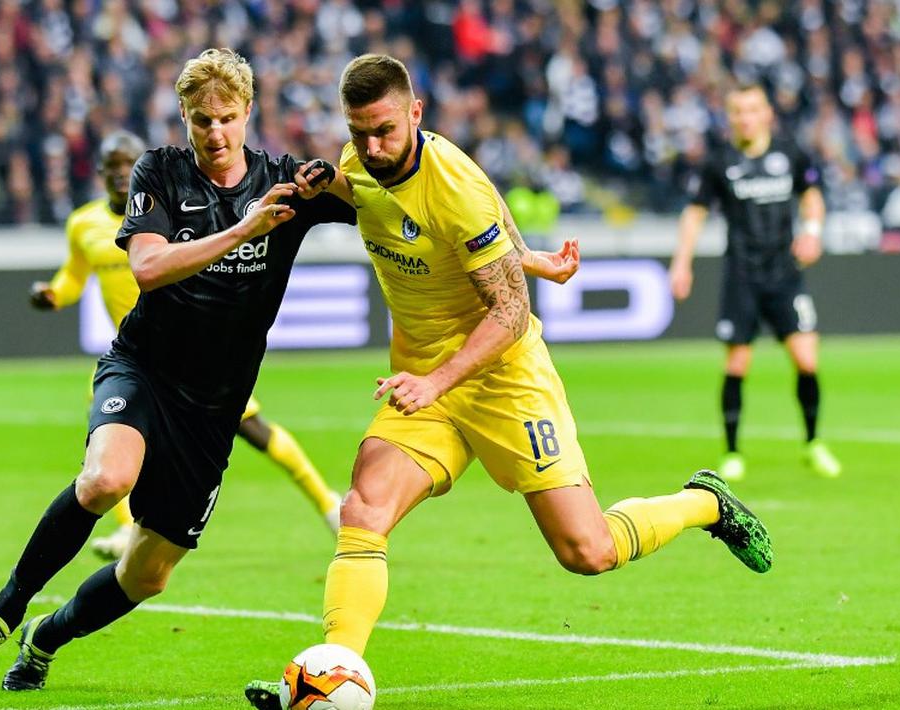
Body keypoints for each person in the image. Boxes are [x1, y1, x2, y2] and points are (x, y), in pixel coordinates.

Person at [246, 55, 773, 708]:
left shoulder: (453, 184)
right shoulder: (359, 165)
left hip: (500, 378)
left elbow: (509, 310)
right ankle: (328, 679)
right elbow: (447, 227)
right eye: (358, 133)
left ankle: (705, 503)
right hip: (426, 383)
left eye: (383, 129)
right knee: (363, 509)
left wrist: (443, 372)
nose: (372, 147)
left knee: (588, 550)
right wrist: (524, 256)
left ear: (415, 113)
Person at [0, 47, 355, 691]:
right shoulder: (159, 171)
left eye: (224, 118)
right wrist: (245, 229)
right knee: (106, 480)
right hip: (143, 369)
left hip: (214, 409)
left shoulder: (285, 180)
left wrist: (337, 177)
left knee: (147, 576)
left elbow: (385, 204)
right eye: (199, 119)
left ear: (248, 112)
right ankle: (3, 612)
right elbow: (149, 268)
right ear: (183, 118)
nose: (213, 133)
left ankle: (44, 637)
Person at [28, 132, 342, 558]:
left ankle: (328, 504)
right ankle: (126, 530)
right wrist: (53, 295)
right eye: (113, 166)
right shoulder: (83, 224)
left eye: (129, 164)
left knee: (253, 429)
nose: (123, 174)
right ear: (100, 173)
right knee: (105, 436)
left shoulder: (167, 207)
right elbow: (73, 277)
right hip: (136, 355)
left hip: (194, 352)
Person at [669, 82, 842, 481]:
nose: (745, 117)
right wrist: (682, 263)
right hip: (742, 275)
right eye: (738, 111)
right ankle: (732, 451)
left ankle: (813, 443)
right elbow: (695, 214)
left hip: (785, 273)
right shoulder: (719, 163)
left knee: (806, 359)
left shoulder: (790, 154)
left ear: (767, 114)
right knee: (738, 363)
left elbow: (812, 195)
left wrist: (813, 230)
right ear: (730, 118)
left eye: (752, 109)